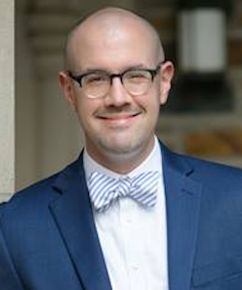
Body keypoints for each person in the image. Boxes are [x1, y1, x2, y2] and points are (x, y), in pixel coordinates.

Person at [0, 7, 242, 290]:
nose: (117, 98)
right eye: (96, 79)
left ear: (163, 82)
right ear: (68, 90)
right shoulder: (14, 228)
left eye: (136, 75)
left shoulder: (236, 201)